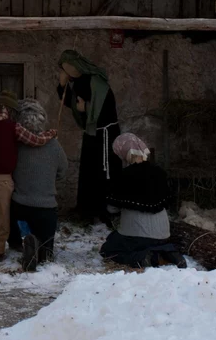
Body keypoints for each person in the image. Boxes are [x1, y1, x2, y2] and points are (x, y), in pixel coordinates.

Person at [0, 91, 57, 264]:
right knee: (3, 217)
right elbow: (35, 141)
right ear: (10, 111)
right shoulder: (13, 127)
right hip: (2, 180)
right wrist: (51, 134)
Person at [99, 133, 186, 269]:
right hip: (164, 234)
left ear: (123, 153)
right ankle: (167, 252)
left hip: (136, 236)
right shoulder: (159, 172)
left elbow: (112, 209)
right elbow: (167, 202)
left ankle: (149, 257)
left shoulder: (124, 176)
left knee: (109, 250)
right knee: (144, 241)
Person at [56, 49, 122, 225]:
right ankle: (87, 208)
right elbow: (71, 101)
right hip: (92, 133)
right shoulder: (78, 82)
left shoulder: (96, 82)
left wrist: (87, 109)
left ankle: (107, 210)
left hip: (105, 133)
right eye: (64, 68)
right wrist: (62, 85)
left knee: (104, 170)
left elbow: (104, 106)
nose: (66, 71)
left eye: (67, 67)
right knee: (89, 170)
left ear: (76, 66)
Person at [7, 99, 68, 271]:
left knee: (6, 209)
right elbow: (63, 171)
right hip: (46, 208)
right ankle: (42, 250)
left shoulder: (16, 145)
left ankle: (19, 244)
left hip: (20, 205)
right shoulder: (54, 145)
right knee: (47, 251)